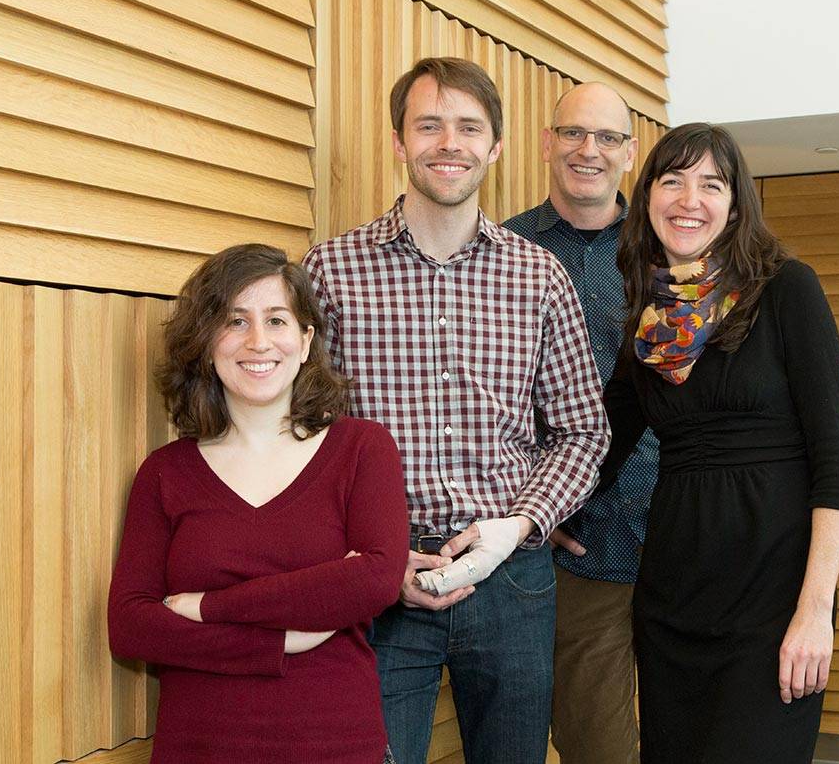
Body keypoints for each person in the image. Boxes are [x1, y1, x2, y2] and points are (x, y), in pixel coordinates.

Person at [301, 58, 610, 764]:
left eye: (469, 127)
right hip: (381, 578)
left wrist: (520, 523)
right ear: (398, 141)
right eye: (429, 124)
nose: (450, 142)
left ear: (495, 148)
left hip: (512, 581)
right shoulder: (331, 270)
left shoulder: (539, 276)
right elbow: (304, 434)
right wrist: (367, 551)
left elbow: (583, 431)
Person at [603, 123, 839, 763]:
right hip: (673, 597)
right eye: (672, 181)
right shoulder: (650, 321)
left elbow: (835, 466)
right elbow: (601, 444)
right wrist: (544, 514)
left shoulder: (787, 291)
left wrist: (815, 613)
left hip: (774, 599)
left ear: (736, 205)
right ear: (648, 198)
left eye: (710, 185)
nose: (690, 199)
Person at [108, 244, 409, 763]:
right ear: (205, 343)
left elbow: (375, 579)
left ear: (306, 339)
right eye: (234, 322)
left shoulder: (362, 448)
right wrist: (281, 639)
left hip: (334, 743)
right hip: (200, 747)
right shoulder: (165, 472)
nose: (258, 342)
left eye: (276, 320)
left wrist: (208, 607)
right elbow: (132, 625)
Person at [503, 81, 656, 764]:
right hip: (575, 545)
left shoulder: (669, 252)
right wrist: (538, 505)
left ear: (630, 152)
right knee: (597, 742)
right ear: (546, 143)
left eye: (606, 137)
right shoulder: (502, 254)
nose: (587, 150)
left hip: (678, 531)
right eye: (572, 133)